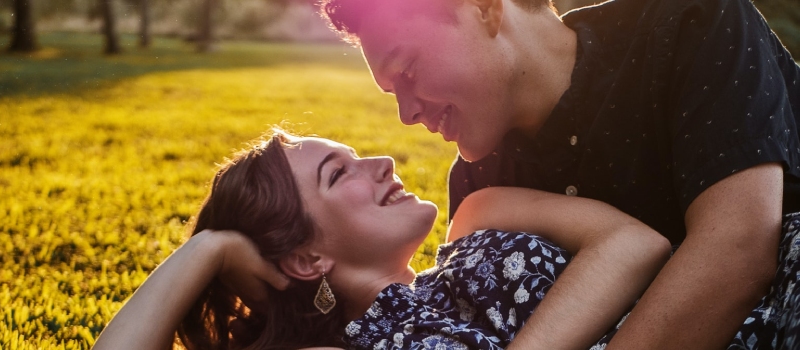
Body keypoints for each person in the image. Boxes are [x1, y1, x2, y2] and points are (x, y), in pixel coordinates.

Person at [320, 0, 800, 347]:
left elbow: (738, 248)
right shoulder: (479, 183)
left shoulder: (689, 23)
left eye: (406, 72)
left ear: (485, 8)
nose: (405, 114)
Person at [93, 131, 677, 349]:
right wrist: (208, 249)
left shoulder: (482, 212)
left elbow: (637, 245)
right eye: (338, 173)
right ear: (305, 257)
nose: (381, 160)